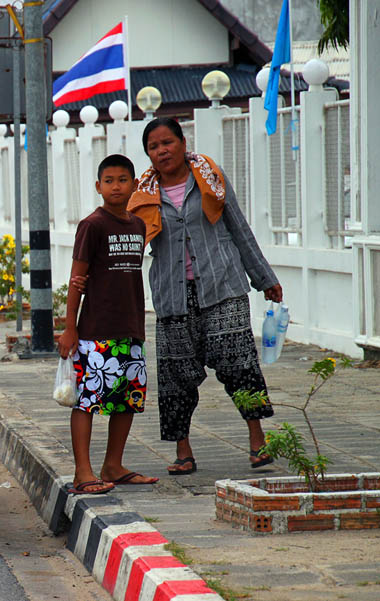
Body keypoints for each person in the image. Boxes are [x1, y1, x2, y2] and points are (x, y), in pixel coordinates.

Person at [126, 117, 282, 475]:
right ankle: (184, 452)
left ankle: (258, 442)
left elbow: (239, 227)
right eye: (153, 146)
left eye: (168, 142)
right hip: (172, 295)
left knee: (239, 365)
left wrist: (264, 278)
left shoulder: (210, 178)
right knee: (176, 375)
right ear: (148, 153)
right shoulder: (142, 195)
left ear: (183, 143)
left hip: (223, 287)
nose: (162, 150)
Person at [57, 154, 158, 494]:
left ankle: (113, 464)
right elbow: (77, 279)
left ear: (135, 184)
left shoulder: (138, 225)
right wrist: (70, 327)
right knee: (87, 401)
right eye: (109, 180)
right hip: (95, 332)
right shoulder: (92, 225)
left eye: (123, 180)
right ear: (98, 186)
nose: (117, 186)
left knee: (127, 400)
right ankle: (82, 472)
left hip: (129, 328)